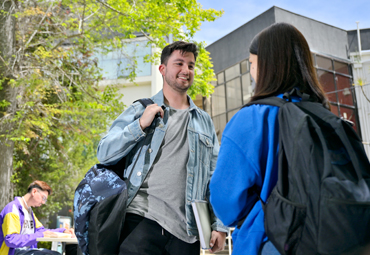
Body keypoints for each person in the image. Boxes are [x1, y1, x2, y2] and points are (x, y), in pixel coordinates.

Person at [96, 41, 228, 255]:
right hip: (140, 223)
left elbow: (216, 176)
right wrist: (139, 126)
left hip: (187, 233)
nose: (186, 70)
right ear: (162, 69)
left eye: (191, 65)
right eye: (179, 63)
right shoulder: (140, 109)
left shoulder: (204, 121)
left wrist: (219, 226)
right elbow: (104, 152)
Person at [209, 23, 329, 255]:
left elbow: (226, 203)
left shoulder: (252, 118)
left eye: (252, 65)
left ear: (266, 66)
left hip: (270, 242)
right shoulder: (324, 115)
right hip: (333, 238)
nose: (252, 73)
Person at [0, 181, 76, 255]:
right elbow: (11, 240)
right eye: (43, 198)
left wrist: (63, 231)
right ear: (34, 192)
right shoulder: (13, 209)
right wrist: (40, 235)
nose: (43, 202)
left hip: (26, 250)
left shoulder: (29, 211)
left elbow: (42, 231)